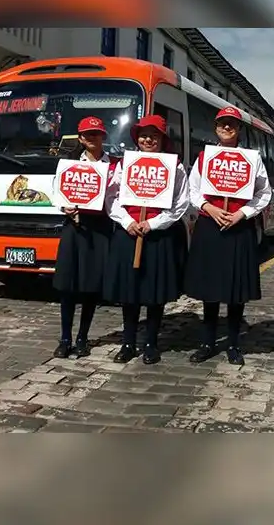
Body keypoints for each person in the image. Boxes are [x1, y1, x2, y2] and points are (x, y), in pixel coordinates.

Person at [184, 106, 272, 366]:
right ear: (216, 127)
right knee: (210, 290)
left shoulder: (252, 159)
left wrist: (242, 213)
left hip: (238, 228)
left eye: (232, 124)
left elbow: (263, 193)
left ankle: (234, 344)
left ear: (239, 129)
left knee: (235, 291)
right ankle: (208, 342)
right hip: (210, 226)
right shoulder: (204, 158)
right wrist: (209, 208)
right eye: (222, 123)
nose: (227, 127)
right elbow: (193, 190)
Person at [103, 115, 189, 365]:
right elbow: (111, 196)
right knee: (129, 293)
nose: (148, 140)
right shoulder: (125, 165)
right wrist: (128, 222)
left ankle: (151, 343)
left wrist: (151, 224)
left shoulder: (176, 167)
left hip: (157, 235)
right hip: (128, 233)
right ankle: (128, 342)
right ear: (136, 138)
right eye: (143, 135)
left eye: (153, 135)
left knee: (154, 293)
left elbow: (180, 204)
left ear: (162, 138)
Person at [51, 116, 121, 359]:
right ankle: (65, 337)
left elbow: (117, 196)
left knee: (90, 287)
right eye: (87, 134)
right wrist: (64, 207)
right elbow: (56, 191)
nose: (92, 138)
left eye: (97, 133)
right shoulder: (69, 163)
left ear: (103, 136)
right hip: (74, 227)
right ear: (80, 138)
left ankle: (83, 337)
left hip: (99, 227)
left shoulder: (114, 165)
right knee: (67, 286)